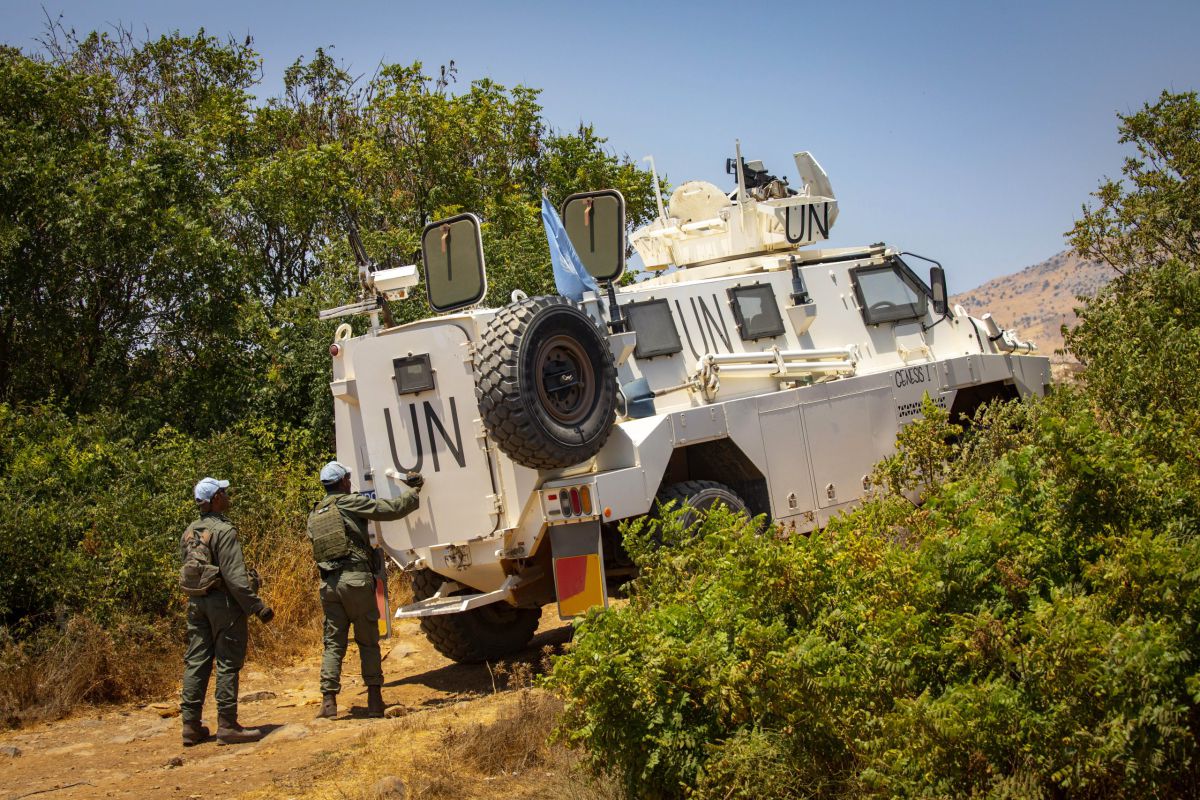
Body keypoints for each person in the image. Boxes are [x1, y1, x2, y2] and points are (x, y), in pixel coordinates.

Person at [308, 461, 421, 719]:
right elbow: (389, 509)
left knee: (333, 644)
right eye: (348, 478)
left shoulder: (315, 513)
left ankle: (328, 703)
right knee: (368, 641)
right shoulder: (349, 502)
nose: (350, 482)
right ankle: (374, 700)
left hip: (328, 585)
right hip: (356, 581)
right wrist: (414, 492)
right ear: (343, 482)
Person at [178, 477, 274, 746]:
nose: (228, 495)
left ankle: (190, 726)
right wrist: (257, 607)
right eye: (224, 492)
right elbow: (235, 579)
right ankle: (228, 725)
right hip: (224, 605)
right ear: (216, 499)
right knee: (227, 662)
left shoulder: (189, 531)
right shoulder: (223, 531)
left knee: (196, 661)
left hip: (196, 603)